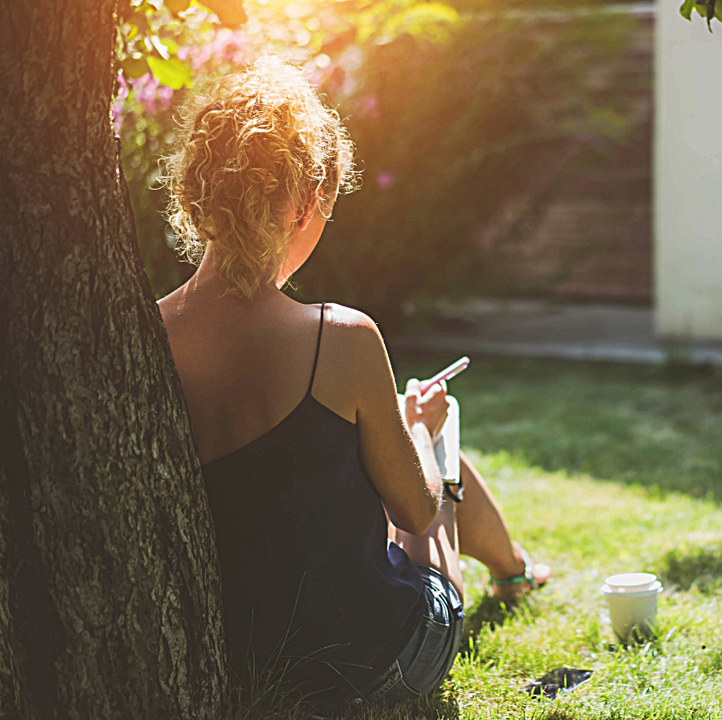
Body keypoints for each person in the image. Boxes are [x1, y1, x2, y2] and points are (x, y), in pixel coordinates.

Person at [156, 57, 550, 709]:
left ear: (195, 193)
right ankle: (512, 572)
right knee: (432, 458)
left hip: (238, 662)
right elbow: (417, 514)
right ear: (307, 204)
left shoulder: (145, 336)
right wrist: (421, 433)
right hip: (378, 660)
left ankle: (514, 568)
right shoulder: (340, 337)